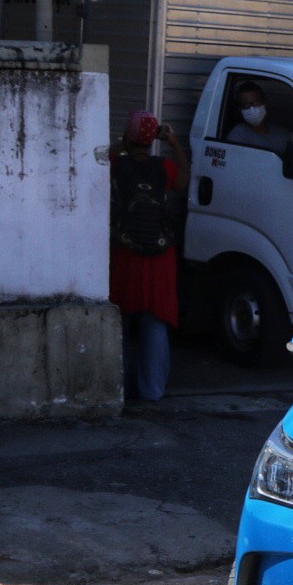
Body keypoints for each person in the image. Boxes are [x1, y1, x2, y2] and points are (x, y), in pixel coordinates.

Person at [109, 111, 190, 401]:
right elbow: (183, 180)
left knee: (121, 323)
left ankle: (121, 388)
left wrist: (124, 140)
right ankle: (152, 390)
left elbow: (106, 156)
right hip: (159, 258)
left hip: (125, 254)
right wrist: (173, 142)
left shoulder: (117, 164)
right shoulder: (164, 168)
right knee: (154, 323)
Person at [225, 80, 290, 155]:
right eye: (246, 105)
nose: (251, 109)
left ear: (264, 103)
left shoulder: (281, 133)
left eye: (256, 103)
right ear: (240, 109)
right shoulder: (237, 135)